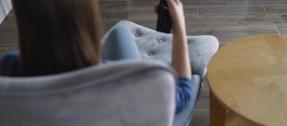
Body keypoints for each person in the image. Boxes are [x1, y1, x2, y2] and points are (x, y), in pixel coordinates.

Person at [0, 0, 192, 113]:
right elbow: (182, 96)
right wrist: (180, 27)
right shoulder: (118, 79)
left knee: (121, 33)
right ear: (86, 18)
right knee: (122, 34)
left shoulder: (8, 71)